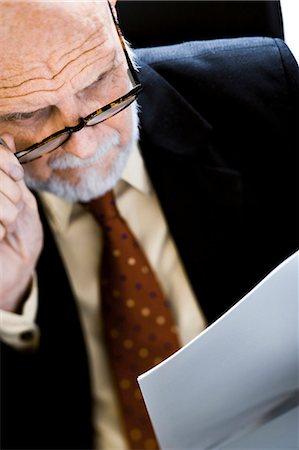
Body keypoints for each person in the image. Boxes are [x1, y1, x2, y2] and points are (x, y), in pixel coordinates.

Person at [0, 1, 297, 449]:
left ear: (115, 17)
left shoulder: (266, 89)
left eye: (99, 81)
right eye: (29, 115)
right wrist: (8, 298)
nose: (83, 146)